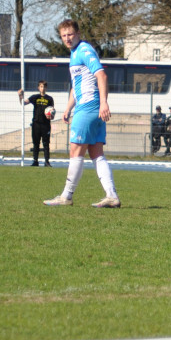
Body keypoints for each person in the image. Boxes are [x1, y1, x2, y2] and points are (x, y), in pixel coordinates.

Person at [44, 19, 121, 208]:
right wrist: (68, 108)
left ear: (78, 33)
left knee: (75, 151)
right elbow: (76, 86)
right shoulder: (75, 54)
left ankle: (66, 196)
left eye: (70, 34)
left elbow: (101, 75)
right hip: (89, 108)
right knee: (96, 154)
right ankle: (111, 196)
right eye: (64, 36)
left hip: (88, 107)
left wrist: (104, 102)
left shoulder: (84, 50)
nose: (67, 39)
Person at [17, 80, 56, 167]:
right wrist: (20, 96)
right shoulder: (35, 97)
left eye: (44, 87)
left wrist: (51, 116)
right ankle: (35, 161)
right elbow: (23, 103)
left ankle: (47, 161)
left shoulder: (50, 99)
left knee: (46, 143)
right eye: (41, 86)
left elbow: (52, 113)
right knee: (36, 142)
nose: (43, 88)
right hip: (36, 124)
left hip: (46, 124)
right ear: (38, 88)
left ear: (46, 88)